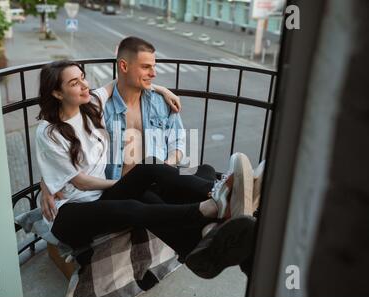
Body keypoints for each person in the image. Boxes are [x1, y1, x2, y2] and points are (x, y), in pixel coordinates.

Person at [35, 59, 261, 280]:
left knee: (154, 167)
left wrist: (162, 90)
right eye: (74, 83)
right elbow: (80, 182)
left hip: (99, 196)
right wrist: (119, 182)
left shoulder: (90, 104)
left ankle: (206, 227)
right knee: (135, 204)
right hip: (68, 214)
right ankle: (214, 204)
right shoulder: (49, 133)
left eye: (83, 77)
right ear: (57, 93)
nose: (85, 85)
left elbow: (118, 83)